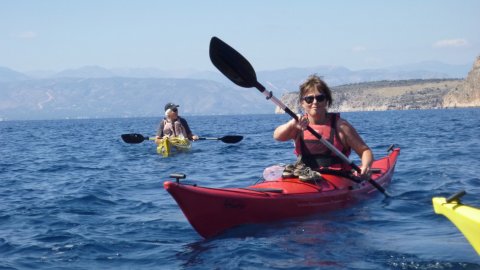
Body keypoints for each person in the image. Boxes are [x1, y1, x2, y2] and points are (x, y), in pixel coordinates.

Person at [273, 74, 373, 182]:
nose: (315, 102)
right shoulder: (298, 125)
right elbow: (277, 136)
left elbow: (365, 151)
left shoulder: (341, 126)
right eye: (309, 99)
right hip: (305, 176)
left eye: (320, 98)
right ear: (302, 103)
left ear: (326, 101)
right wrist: (292, 123)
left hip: (338, 179)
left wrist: (365, 166)